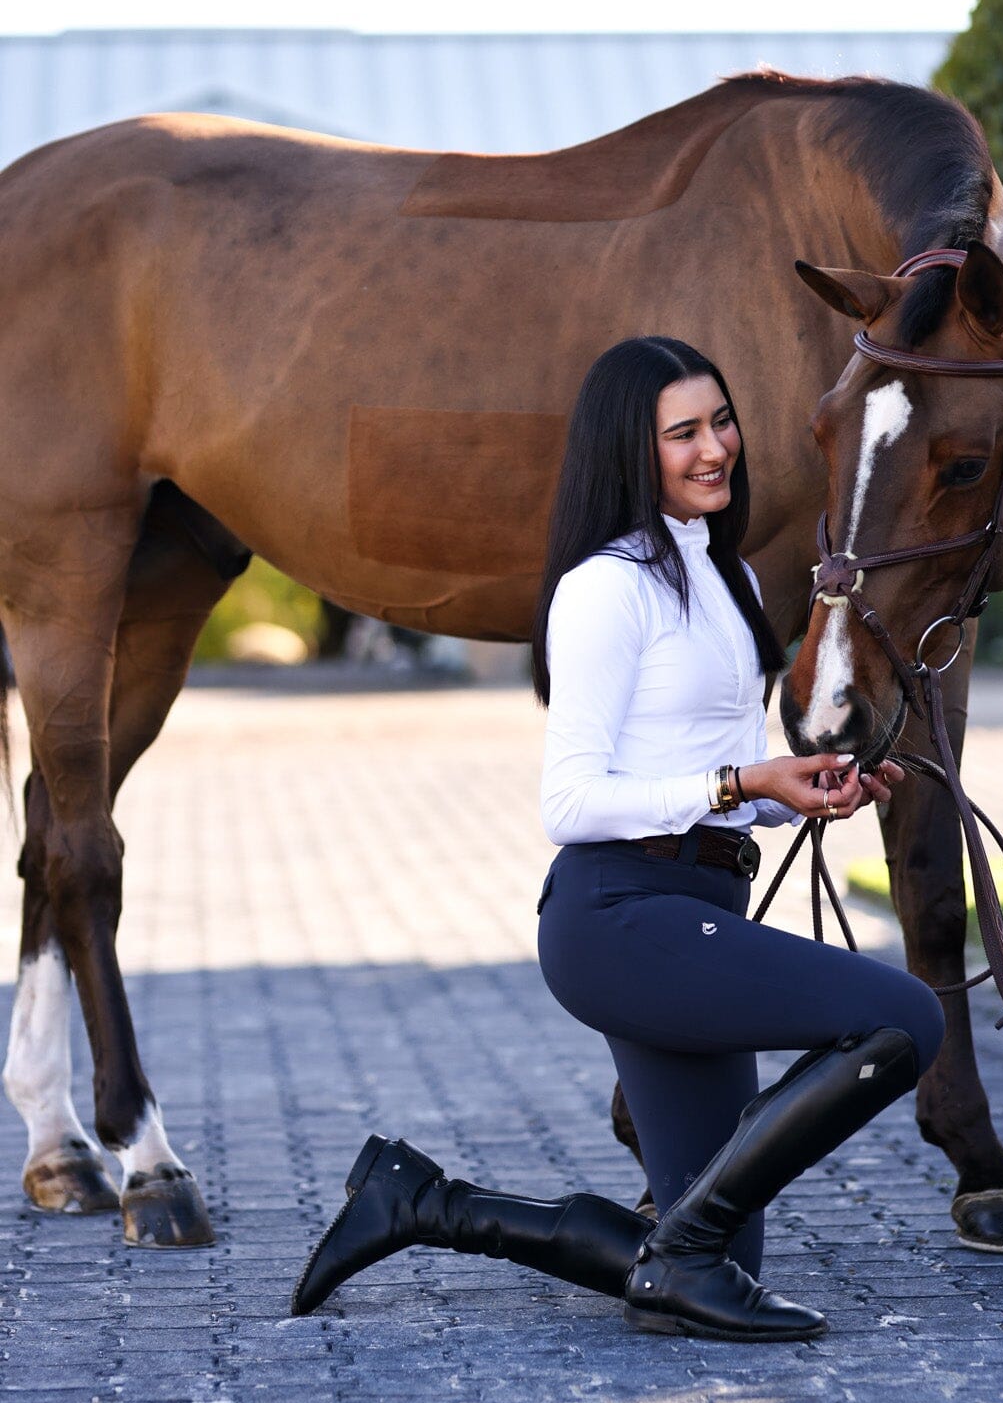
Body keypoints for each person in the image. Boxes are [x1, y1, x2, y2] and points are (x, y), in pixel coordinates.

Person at [292, 337, 946, 1340]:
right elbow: (572, 799)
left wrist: (796, 794)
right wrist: (741, 777)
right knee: (903, 1019)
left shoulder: (726, 582)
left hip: (694, 906)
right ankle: (678, 1251)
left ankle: (422, 1201)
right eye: (682, 432)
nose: (714, 447)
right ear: (630, 452)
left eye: (720, 420)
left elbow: (706, 784)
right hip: (620, 917)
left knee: (713, 1256)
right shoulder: (608, 586)